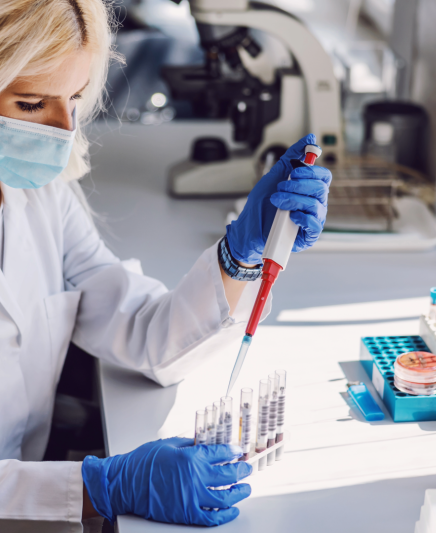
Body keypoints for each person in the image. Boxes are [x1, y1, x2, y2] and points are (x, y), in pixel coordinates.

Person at [0, 1, 332, 531]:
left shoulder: (39, 198)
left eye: (76, 99)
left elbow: (143, 331)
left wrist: (240, 254)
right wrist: (101, 487)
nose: (64, 130)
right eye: (33, 104)